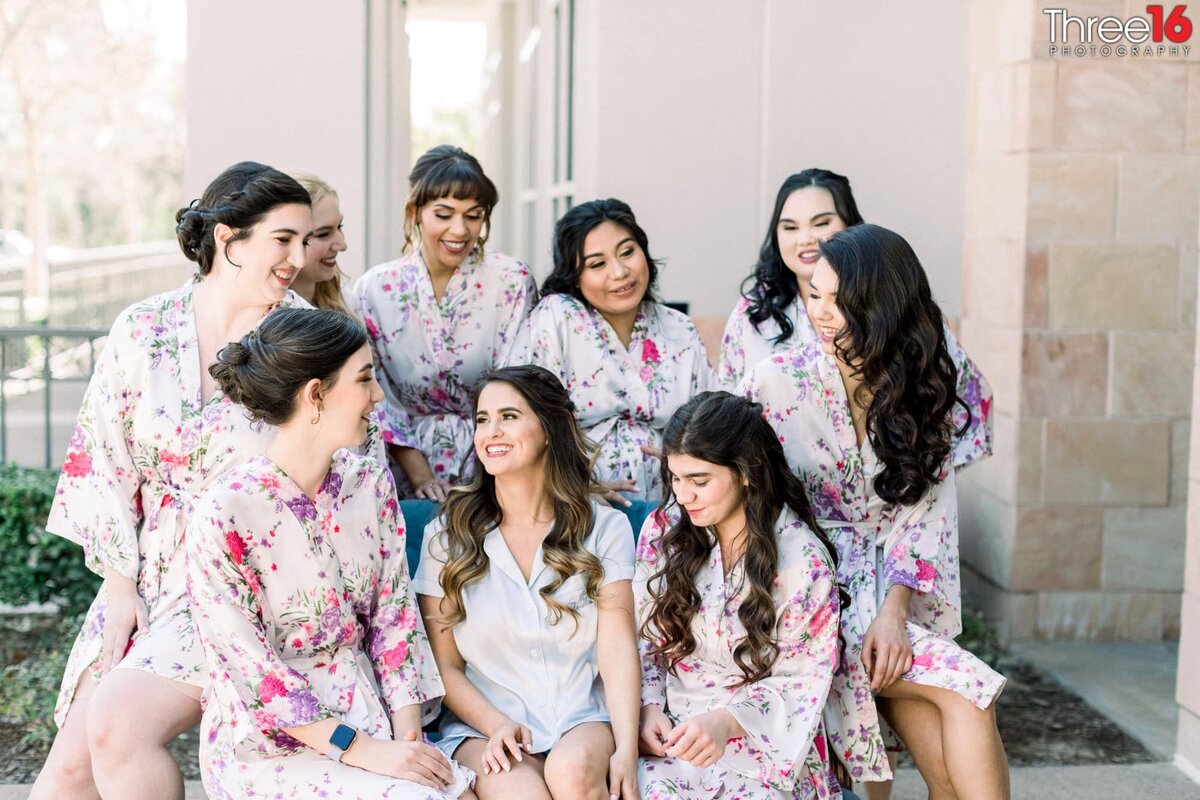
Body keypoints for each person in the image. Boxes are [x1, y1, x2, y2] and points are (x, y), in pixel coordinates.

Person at [30, 162, 312, 800]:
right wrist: (121, 586)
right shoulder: (143, 328)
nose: (300, 256)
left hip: (247, 576)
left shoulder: (301, 339)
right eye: (284, 239)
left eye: (306, 239)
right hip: (145, 571)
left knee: (117, 733)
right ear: (227, 238)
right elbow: (101, 460)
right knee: (68, 773)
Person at [742, 224, 1010, 800]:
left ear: (883, 305)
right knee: (964, 699)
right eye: (815, 293)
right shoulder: (774, 382)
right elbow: (746, 497)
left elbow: (928, 511)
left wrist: (893, 614)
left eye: (842, 300)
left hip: (896, 597)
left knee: (962, 715)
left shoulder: (922, 385)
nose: (823, 312)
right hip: (808, 598)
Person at [188, 307, 476, 799]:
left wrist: (407, 741)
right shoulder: (224, 513)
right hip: (276, 745)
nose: (378, 396)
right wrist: (366, 751)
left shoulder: (369, 481)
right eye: (365, 379)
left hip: (373, 713)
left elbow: (394, 620)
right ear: (316, 394)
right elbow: (254, 672)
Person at [414, 365, 641, 800]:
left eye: (509, 416)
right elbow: (444, 667)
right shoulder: (446, 536)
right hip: (486, 726)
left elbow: (617, 650)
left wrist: (626, 751)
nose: (491, 432)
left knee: (573, 776)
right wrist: (496, 724)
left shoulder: (605, 528)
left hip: (581, 717)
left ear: (550, 428)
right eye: (483, 420)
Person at [635, 391, 843, 800]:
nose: (682, 496)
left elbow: (804, 678)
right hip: (671, 729)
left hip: (762, 740)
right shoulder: (665, 531)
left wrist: (728, 721)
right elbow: (644, 639)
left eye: (699, 480)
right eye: (675, 478)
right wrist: (648, 706)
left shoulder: (803, 559)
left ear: (746, 472)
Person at [719, 169, 991, 470]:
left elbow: (959, 395)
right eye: (790, 227)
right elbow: (727, 402)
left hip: (890, 494)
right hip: (783, 494)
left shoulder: (895, 304)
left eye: (821, 223)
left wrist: (923, 475)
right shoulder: (752, 312)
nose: (806, 239)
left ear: (851, 227)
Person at [355, 145, 537, 505]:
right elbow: (377, 396)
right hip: (404, 470)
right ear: (415, 211)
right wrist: (419, 474)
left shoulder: (511, 281)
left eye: (473, 215)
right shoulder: (374, 290)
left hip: (496, 463)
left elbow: (520, 383)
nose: (460, 229)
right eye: (444, 213)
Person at [522, 198, 713, 522]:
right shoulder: (556, 319)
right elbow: (524, 420)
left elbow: (710, 421)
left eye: (627, 252)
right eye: (597, 264)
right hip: (575, 508)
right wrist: (577, 486)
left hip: (674, 509)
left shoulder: (677, 327)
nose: (620, 272)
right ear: (575, 275)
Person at [287, 172, 354, 314]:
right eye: (323, 234)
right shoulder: (260, 320)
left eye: (339, 226)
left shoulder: (348, 300)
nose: (342, 245)